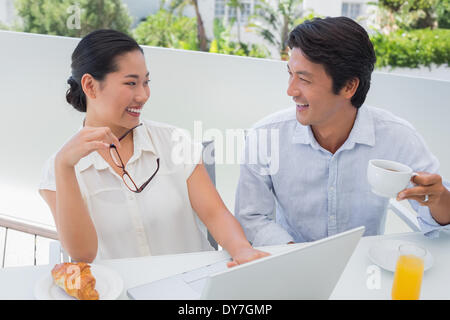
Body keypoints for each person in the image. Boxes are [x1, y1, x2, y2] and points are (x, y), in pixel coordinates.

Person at [39, 29, 269, 266]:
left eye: (146, 82)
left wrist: (242, 249)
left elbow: (215, 214)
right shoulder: (58, 169)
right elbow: (83, 255)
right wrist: (64, 168)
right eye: (131, 83)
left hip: (192, 289)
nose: (143, 95)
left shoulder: (173, 141)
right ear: (90, 85)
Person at [235, 17, 450, 246]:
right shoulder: (266, 136)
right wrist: (297, 256)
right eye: (290, 74)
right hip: (291, 266)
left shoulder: (397, 138)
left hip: (365, 268)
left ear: (349, 86)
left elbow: (441, 219)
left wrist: (441, 199)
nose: (290, 90)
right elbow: (251, 217)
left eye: (304, 79)